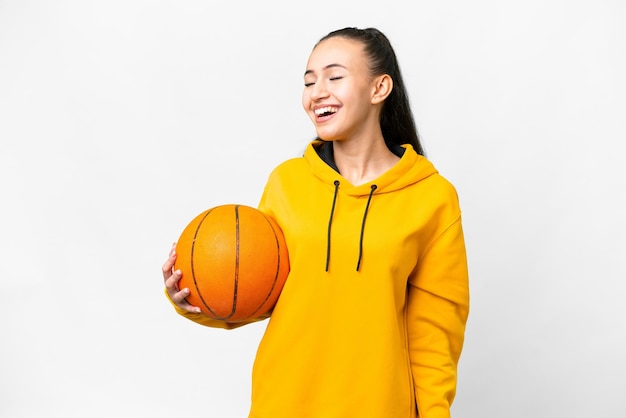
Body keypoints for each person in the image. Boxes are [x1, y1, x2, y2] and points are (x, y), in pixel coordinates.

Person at [163, 27, 469, 418]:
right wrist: (193, 299)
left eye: (334, 76)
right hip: (283, 403)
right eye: (309, 81)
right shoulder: (287, 182)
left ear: (380, 88)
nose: (316, 92)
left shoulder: (433, 198)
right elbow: (256, 289)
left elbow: (434, 338)